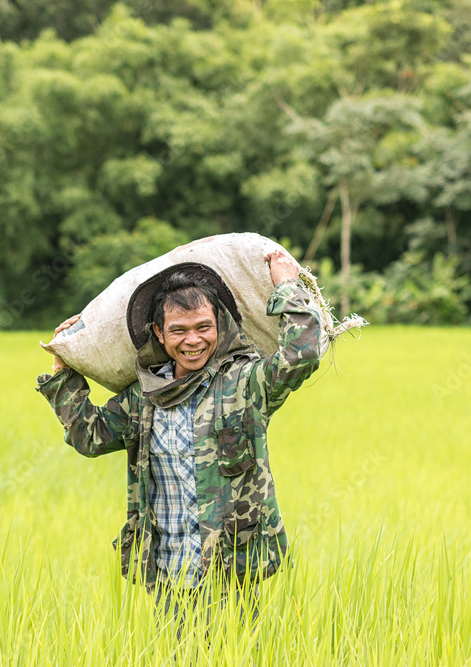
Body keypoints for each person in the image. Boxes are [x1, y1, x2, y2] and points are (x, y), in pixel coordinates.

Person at [35, 250, 323, 629]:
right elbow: (89, 435)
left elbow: (300, 356)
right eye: (179, 330)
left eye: (203, 327)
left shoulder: (245, 384)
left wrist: (286, 286)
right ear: (159, 333)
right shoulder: (144, 397)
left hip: (231, 575)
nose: (193, 341)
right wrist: (62, 369)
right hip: (168, 577)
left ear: (220, 325)